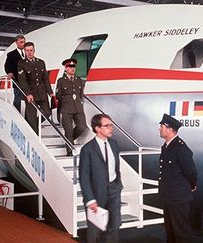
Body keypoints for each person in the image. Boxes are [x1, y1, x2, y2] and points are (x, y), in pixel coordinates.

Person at [79, 114, 123, 243]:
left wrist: (118, 185)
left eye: (111, 125)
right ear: (97, 128)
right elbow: (84, 176)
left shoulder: (114, 144)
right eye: (107, 126)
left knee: (114, 227)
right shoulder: (87, 149)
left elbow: (115, 168)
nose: (111, 128)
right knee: (95, 231)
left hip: (114, 190)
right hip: (96, 194)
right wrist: (89, 199)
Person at [158, 113, 197, 243]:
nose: (159, 129)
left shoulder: (180, 147)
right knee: (171, 233)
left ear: (170, 129)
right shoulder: (166, 146)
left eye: (162, 126)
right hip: (169, 197)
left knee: (181, 234)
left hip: (179, 198)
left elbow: (190, 171)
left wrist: (192, 185)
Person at [17, 42, 54, 134]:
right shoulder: (21, 64)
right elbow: (23, 81)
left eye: (31, 50)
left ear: (34, 51)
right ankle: (35, 134)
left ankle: (31, 125)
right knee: (31, 116)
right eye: (27, 51)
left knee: (47, 112)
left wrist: (50, 92)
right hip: (30, 94)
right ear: (24, 51)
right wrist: (28, 94)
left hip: (42, 93)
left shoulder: (41, 62)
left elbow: (45, 79)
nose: (29, 53)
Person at [55, 58, 87, 156]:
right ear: (66, 69)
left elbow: (81, 95)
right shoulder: (61, 81)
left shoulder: (79, 81)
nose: (72, 69)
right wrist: (65, 103)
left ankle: (68, 140)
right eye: (70, 67)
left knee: (82, 127)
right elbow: (58, 95)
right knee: (68, 130)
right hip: (66, 108)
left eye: (74, 67)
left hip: (78, 108)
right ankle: (69, 151)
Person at [4, 34, 25, 113]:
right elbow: (7, 66)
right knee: (17, 98)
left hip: (27, 81)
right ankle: (16, 114)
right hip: (17, 80)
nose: (23, 44)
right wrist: (10, 73)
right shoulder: (11, 54)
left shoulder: (28, 53)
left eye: (24, 42)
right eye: (21, 42)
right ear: (16, 43)